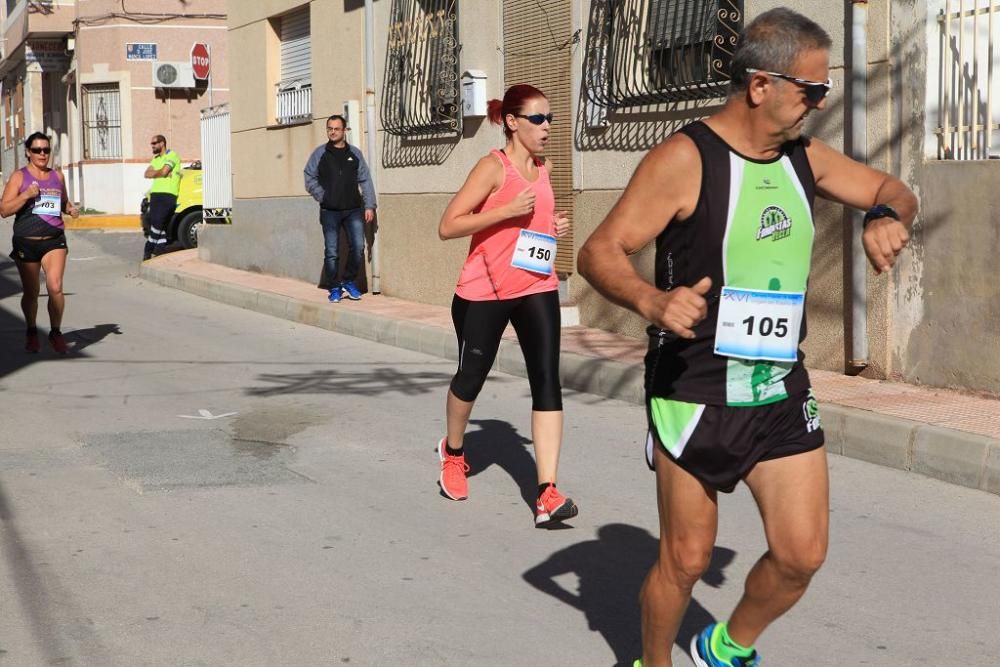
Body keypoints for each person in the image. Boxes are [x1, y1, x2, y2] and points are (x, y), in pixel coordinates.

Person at [578, 9, 917, 667]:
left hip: (778, 385)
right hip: (695, 387)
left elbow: (891, 186)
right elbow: (600, 250)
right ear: (761, 84)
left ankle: (724, 646)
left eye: (824, 92)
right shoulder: (685, 158)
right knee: (686, 557)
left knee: (801, 554)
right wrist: (652, 298)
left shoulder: (802, 157)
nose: (818, 105)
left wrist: (883, 215)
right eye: (810, 91)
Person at [436, 84, 578, 528]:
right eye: (538, 119)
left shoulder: (545, 167)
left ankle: (546, 492)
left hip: (536, 284)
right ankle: (454, 452)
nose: (547, 127)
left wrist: (551, 224)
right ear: (512, 122)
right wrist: (506, 211)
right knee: (471, 376)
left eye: (550, 118)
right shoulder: (491, 169)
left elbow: (533, 223)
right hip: (484, 290)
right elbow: (448, 226)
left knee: (546, 380)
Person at [0, 132, 80, 354]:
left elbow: (63, 203)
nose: (42, 154)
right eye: (37, 150)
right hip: (27, 241)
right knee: (32, 292)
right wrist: (25, 195)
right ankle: (32, 330)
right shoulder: (19, 177)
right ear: (28, 152)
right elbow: (4, 210)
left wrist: (71, 209)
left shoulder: (57, 176)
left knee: (55, 287)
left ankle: (56, 332)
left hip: (54, 240)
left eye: (46, 150)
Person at [303, 115, 376, 303]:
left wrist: (369, 205)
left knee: (358, 247)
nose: (332, 132)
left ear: (344, 131)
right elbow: (309, 176)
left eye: (336, 128)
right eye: (330, 128)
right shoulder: (320, 153)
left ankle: (349, 281)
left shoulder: (355, 154)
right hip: (329, 211)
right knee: (332, 251)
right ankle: (334, 287)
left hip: (353, 209)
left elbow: (365, 180)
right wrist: (323, 196)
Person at [142, 134, 181, 260]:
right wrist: (161, 173)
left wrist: (159, 172)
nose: (152, 146)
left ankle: (148, 248)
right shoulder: (156, 158)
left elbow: (164, 171)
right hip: (155, 194)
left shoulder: (172, 155)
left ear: (162, 143)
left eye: (154, 143)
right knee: (159, 224)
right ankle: (160, 250)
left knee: (157, 223)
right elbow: (147, 174)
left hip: (168, 194)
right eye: (151, 144)